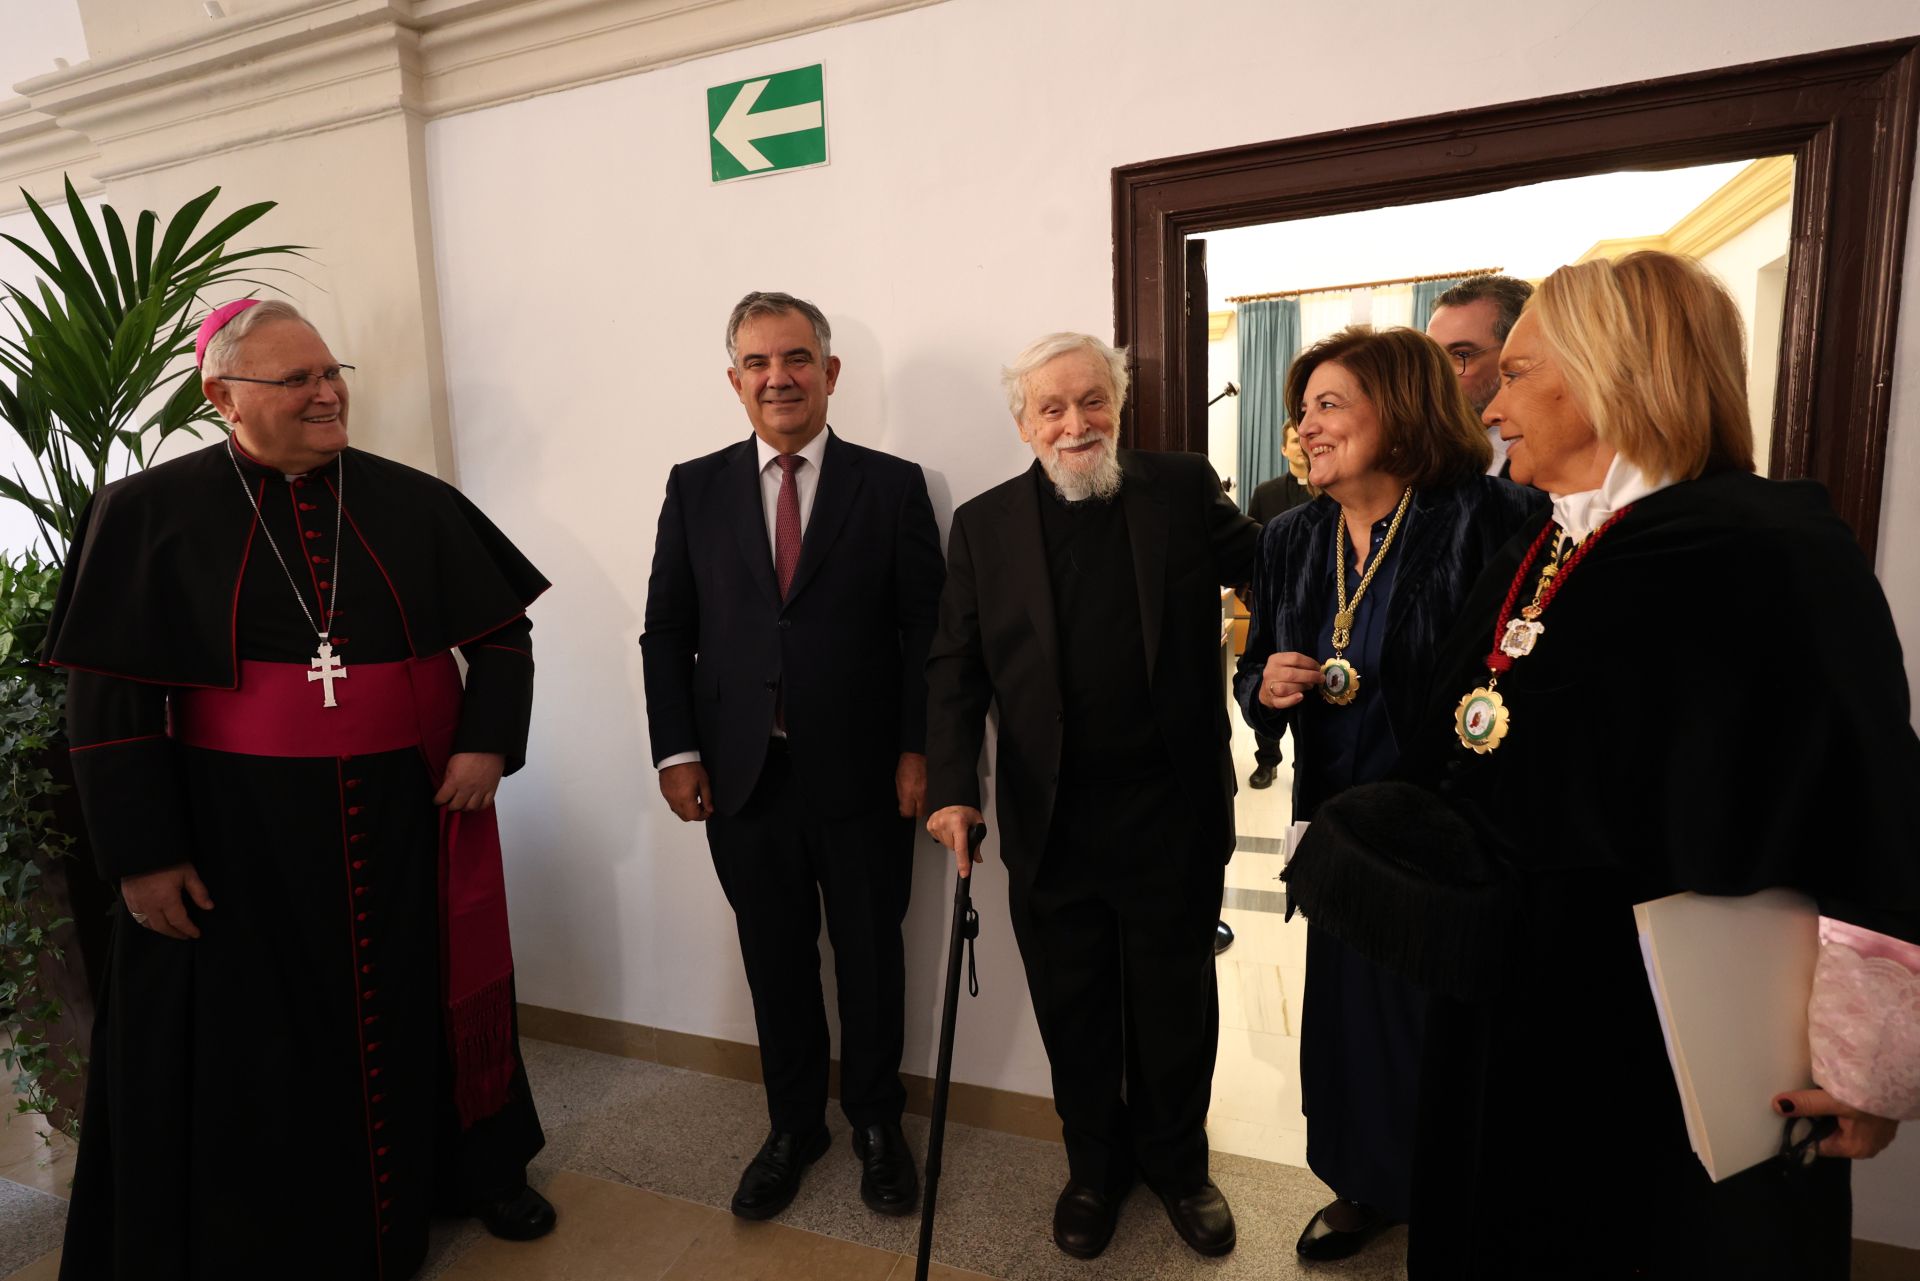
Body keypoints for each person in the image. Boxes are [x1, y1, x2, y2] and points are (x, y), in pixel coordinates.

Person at [1289, 252, 1920, 1278]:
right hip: (1513, 1011)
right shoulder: (1539, 549)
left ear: (1615, 375)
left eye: (1520, 370)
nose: (1490, 402)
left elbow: (1868, 804)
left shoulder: (1769, 551)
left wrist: (1863, 1059)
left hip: (1673, 1036)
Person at [46, 299, 556, 1280]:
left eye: (333, 374)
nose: (327, 394)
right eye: (297, 380)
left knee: (419, 1000)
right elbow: (107, 701)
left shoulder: (412, 501)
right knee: (260, 1035)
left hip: (405, 816)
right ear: (222, 396)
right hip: (233, 827)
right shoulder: (146, 513)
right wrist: (144, 858)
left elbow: (501, 638)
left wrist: (487, 745)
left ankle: (468, 1166)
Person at [924, 332, 1259, 1261]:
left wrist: (1277, 661)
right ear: (1024, 424)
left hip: (1173, 808)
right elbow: (954, 670)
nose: (1076, 423)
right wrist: (953, 787)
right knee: (1072, 1005)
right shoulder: (984, 526)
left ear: (1120, 404)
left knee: (1174, 1000)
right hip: (1051, 815)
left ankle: (1179, 1164)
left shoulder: (1181, 489)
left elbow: (1275, 570)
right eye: (1052, 408)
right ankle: (1092, 1168)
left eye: (1092, 401)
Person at [1235, 325, 1543, 1262]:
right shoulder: (1290, 534)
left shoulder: (1492, 517)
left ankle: (1457, 1198)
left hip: (1453, 832)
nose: (1306, 427)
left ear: (1400, 412)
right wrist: (1268, 687)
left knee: (1443, 1029)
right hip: (1339, 829)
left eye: (1330, 404)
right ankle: (1363, 1184)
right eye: (1302, 410)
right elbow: (1254, 668)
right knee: (1351, 1023)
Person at [640, 291, 944, 1223]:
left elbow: (925, 633)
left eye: (798, 358)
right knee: (773, 960)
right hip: (742, 778)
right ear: (734, 379)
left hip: (862, 777)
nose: (781, 377)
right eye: (760, 363)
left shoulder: (891, 485)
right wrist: (676, 751)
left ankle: (878, 1125)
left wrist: (916, 748)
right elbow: (667, 632)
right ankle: (792, 1126)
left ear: (830, 371)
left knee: (869, 957)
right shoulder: (694, 486)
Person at [1244, 421, 1316, 788]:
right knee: (1268, 681)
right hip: (1271, 606)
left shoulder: (1328, 493)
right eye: (1293, 440)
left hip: (1317, 608)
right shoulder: (1266, 493)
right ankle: (1267, 759)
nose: (1302, 445)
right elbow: (1250, 553)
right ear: (1284, 449)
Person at [1426, 275, 1533, 476]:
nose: (1438, 374)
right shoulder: (1421, 456)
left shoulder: (1551, 458)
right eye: (1433, 356)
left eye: (1460, 355)